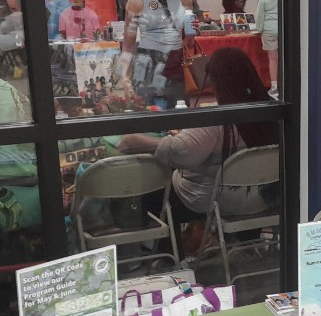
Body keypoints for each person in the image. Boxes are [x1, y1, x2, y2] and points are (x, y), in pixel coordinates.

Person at [119, 46, 278, 230]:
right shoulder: (271, 109)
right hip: (264, 199)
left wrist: (137, 142)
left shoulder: (216, 119)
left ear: (215, 80)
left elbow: (181, 153)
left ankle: (168, 256)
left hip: (218, 200)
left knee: (154, 190)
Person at [120, 0, 196, 106]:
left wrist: (184, 41)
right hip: (145, 68)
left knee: (179, 119)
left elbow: (190, 39)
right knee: (149, 122)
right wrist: (125, 77)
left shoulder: (185, 1)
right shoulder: (136, 2)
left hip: (174, 67)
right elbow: (127, 47)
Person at [257, 0, 280, 98]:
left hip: (269, 29)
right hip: (282, 28)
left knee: (273, 58)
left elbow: (260, 13)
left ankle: (274, 87)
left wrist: (260, 29)